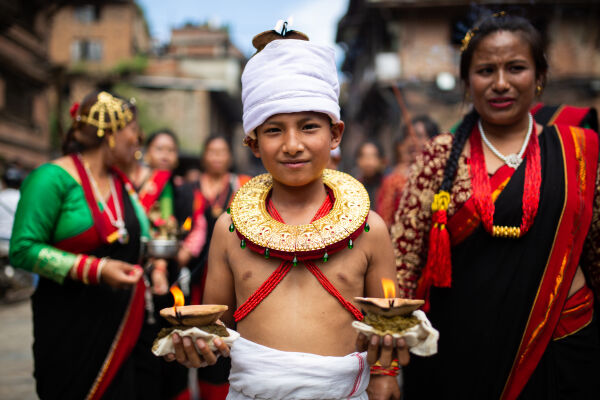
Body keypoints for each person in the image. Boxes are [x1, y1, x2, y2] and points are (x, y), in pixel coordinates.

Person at [167, 29, 408, 400]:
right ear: (253, 143)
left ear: (335, 133)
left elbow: (387, 324)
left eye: (309, 126)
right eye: (274, 130)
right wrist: (196, 346)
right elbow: (217, 328)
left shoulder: (371, 229)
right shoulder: (228, 230)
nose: (292, 145)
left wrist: (385, 374)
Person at [391, 12, 600, 399]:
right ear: (467, 82)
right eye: (486, 70)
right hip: (458, 356)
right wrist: (385, 363)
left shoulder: (580, 152)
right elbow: (404, 264)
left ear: (539, 77)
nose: (501, 83)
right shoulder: (439, 157)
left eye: (516, 68)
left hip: (560, 349)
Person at [9, 91, 158, 399]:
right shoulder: (51, 178)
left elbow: (136, 241)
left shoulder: (122, 184)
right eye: (133, 129)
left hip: (122, 326)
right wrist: (96, 269)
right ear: (112, 133)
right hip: (69, 327)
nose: (139, 138)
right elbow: (22, 248)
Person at [376, 115, 439, 228]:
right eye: (408, 136)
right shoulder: (396, 177)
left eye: (419, 136)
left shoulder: (441, 172)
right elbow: (385, 220)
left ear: (433, 140)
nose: (411, 141)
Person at [355, 140, 386, 207]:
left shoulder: (389, 187)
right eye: (364, 157)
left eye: (373, 156)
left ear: (382, 161)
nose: (368, 162)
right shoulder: (354, 188)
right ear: (358, 161)